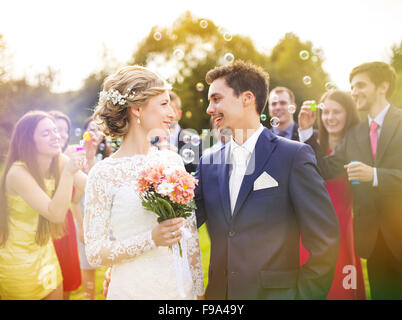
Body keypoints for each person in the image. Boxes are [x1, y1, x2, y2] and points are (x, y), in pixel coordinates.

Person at [194, 60, 340, 299]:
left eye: (216, 99)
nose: (209, 109)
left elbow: (325, 239)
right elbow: (184, 223)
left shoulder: (293, 156)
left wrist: (304, 296)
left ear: (247, 99)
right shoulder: (208, 162)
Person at [84, 65, 204, 299]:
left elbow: (191, 237)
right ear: (137, 109)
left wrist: (198, 292)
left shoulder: (172, 161)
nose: (172, 113)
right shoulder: (103, 174)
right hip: (132, 290)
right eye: (163, 104)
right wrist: (151, 239)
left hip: (179, 292)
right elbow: (95, 253)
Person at [298, 61, 402, 299]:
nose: (354, 92)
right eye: (352, 86)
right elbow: (325, 168)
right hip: (374, 241)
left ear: (383, 86)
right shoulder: (355, 134)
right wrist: (305, 134)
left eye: (360, 85)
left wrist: (375, 175)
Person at [0, 110, 86, 300]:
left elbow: (90, 186)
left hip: (45, 253)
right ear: (28, 141)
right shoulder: (17, 173)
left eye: (55, 131)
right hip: (17, 262)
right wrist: (68, 174)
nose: (56, 137)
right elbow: (54, 214)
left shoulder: (60, 160)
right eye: (46, 133)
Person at [298, 90, 366, 300]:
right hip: (310, 228)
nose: (330, 118)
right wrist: (306, 132)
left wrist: (306, 135)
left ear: (348, 114)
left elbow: (324, 168)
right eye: (326, 112)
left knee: (340, 288)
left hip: (341, 228)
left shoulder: (356, 145)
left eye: (337, 112)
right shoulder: (315, 143)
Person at [73, 116, 112, 300]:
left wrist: (93, 155)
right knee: (87, 269)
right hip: (84, 219)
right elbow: (75, 200)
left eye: (98, 129)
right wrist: (81, 227)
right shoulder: (78, 159)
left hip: (108, 221)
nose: (94, 133)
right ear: (84, 133)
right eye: (90, 129)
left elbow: (104, 192)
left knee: (113, 269)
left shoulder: (111, 159)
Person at [48, 110, 82, 300]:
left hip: (65, 227)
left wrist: (82, 167)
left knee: (66, 287)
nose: (61, 135)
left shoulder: (68, 159)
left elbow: (76, 199)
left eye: (64, 130)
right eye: (55, 129)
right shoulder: (41, 163)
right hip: (46, 228)